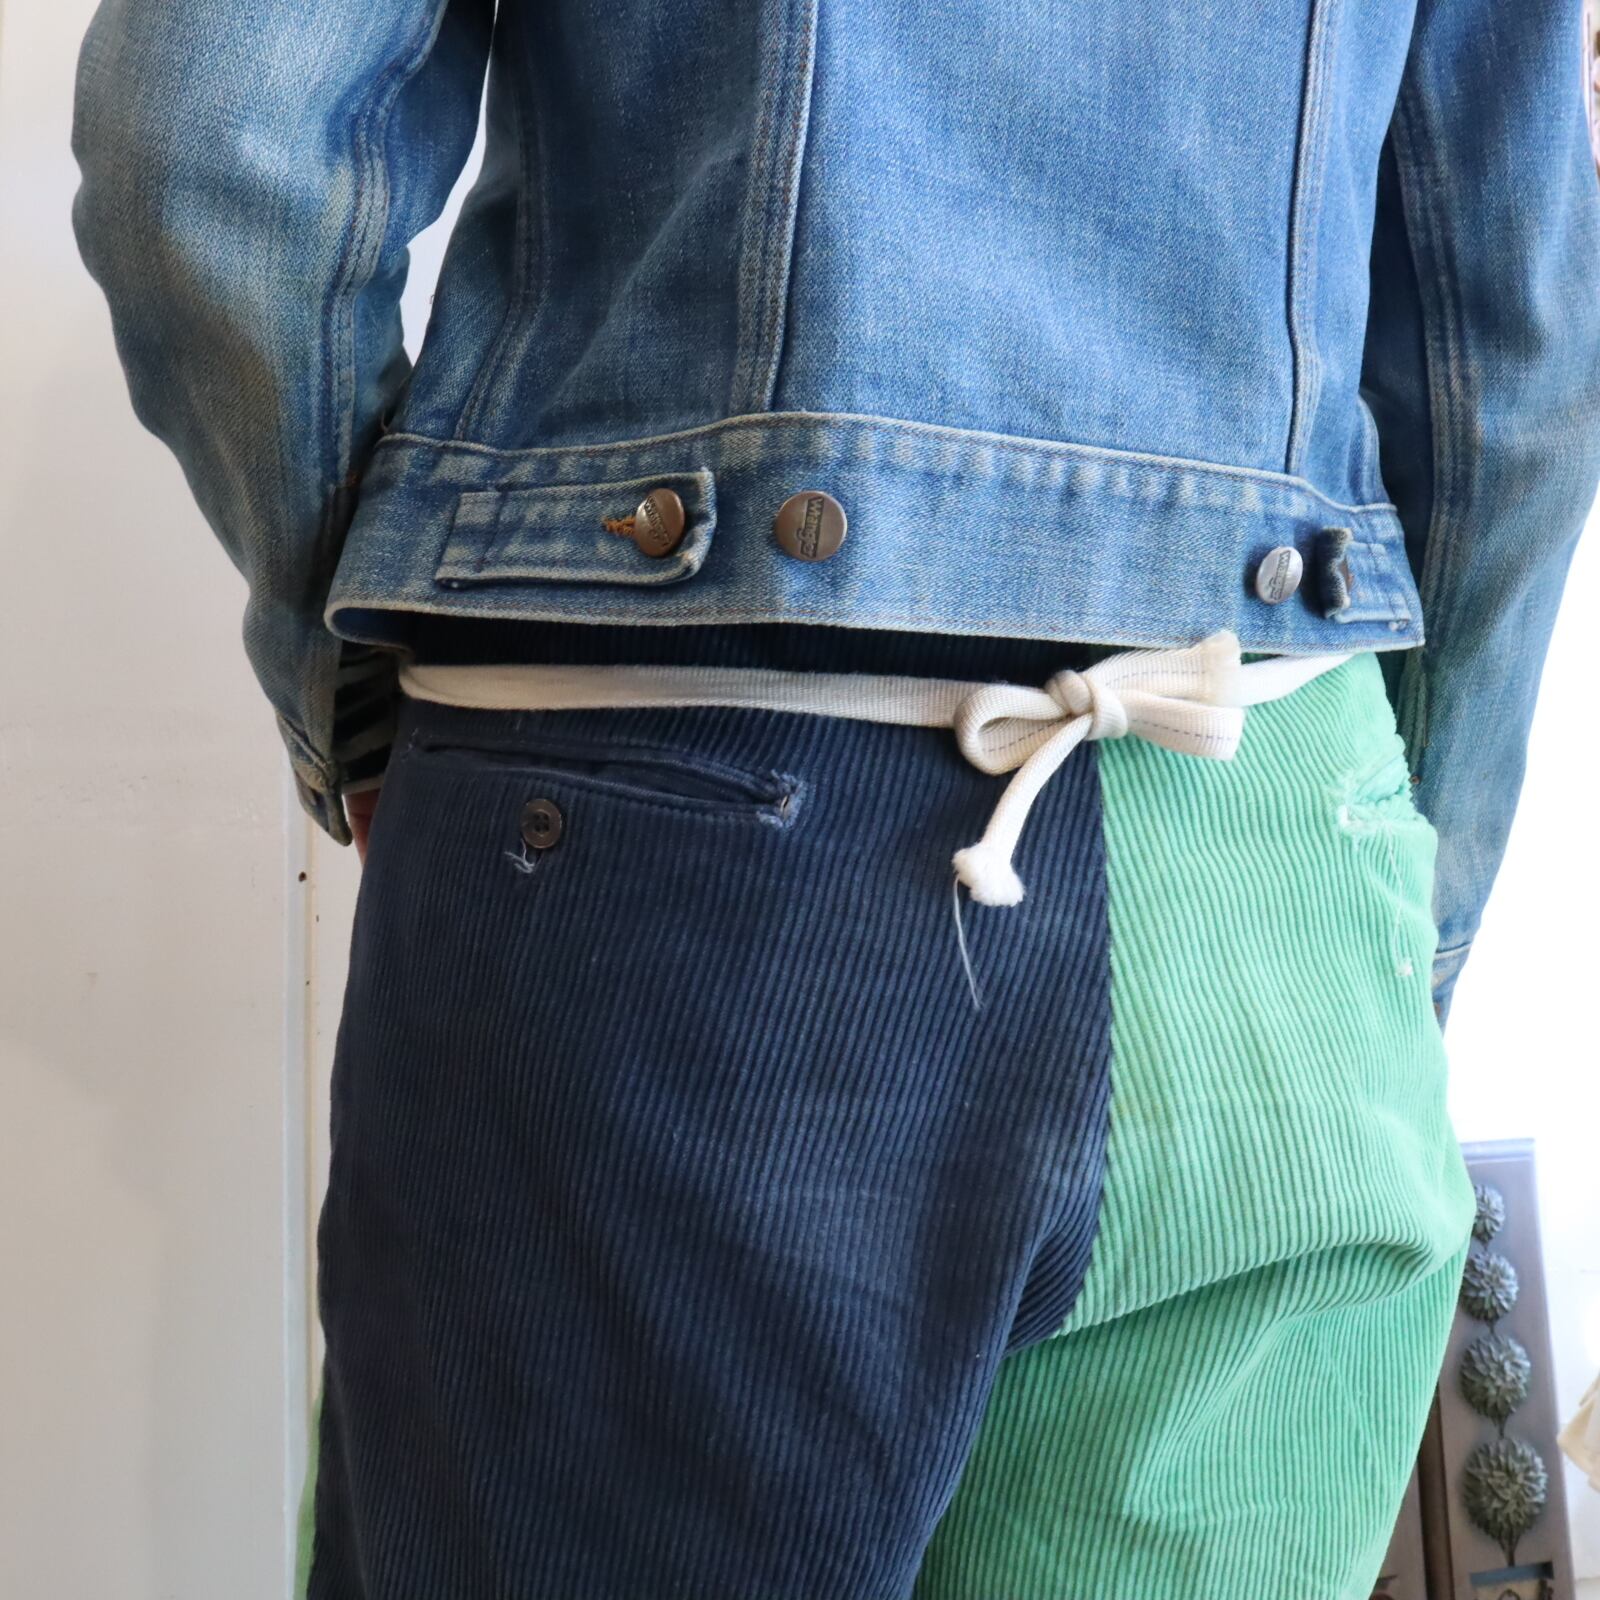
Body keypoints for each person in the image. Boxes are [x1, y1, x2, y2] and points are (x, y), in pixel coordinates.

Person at [69, 1, 1600, 1595]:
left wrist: (372, 692)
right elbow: (1515, 353)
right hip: (1273, 874)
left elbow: (205, 133)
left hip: (668, 860)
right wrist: (1391, 921)